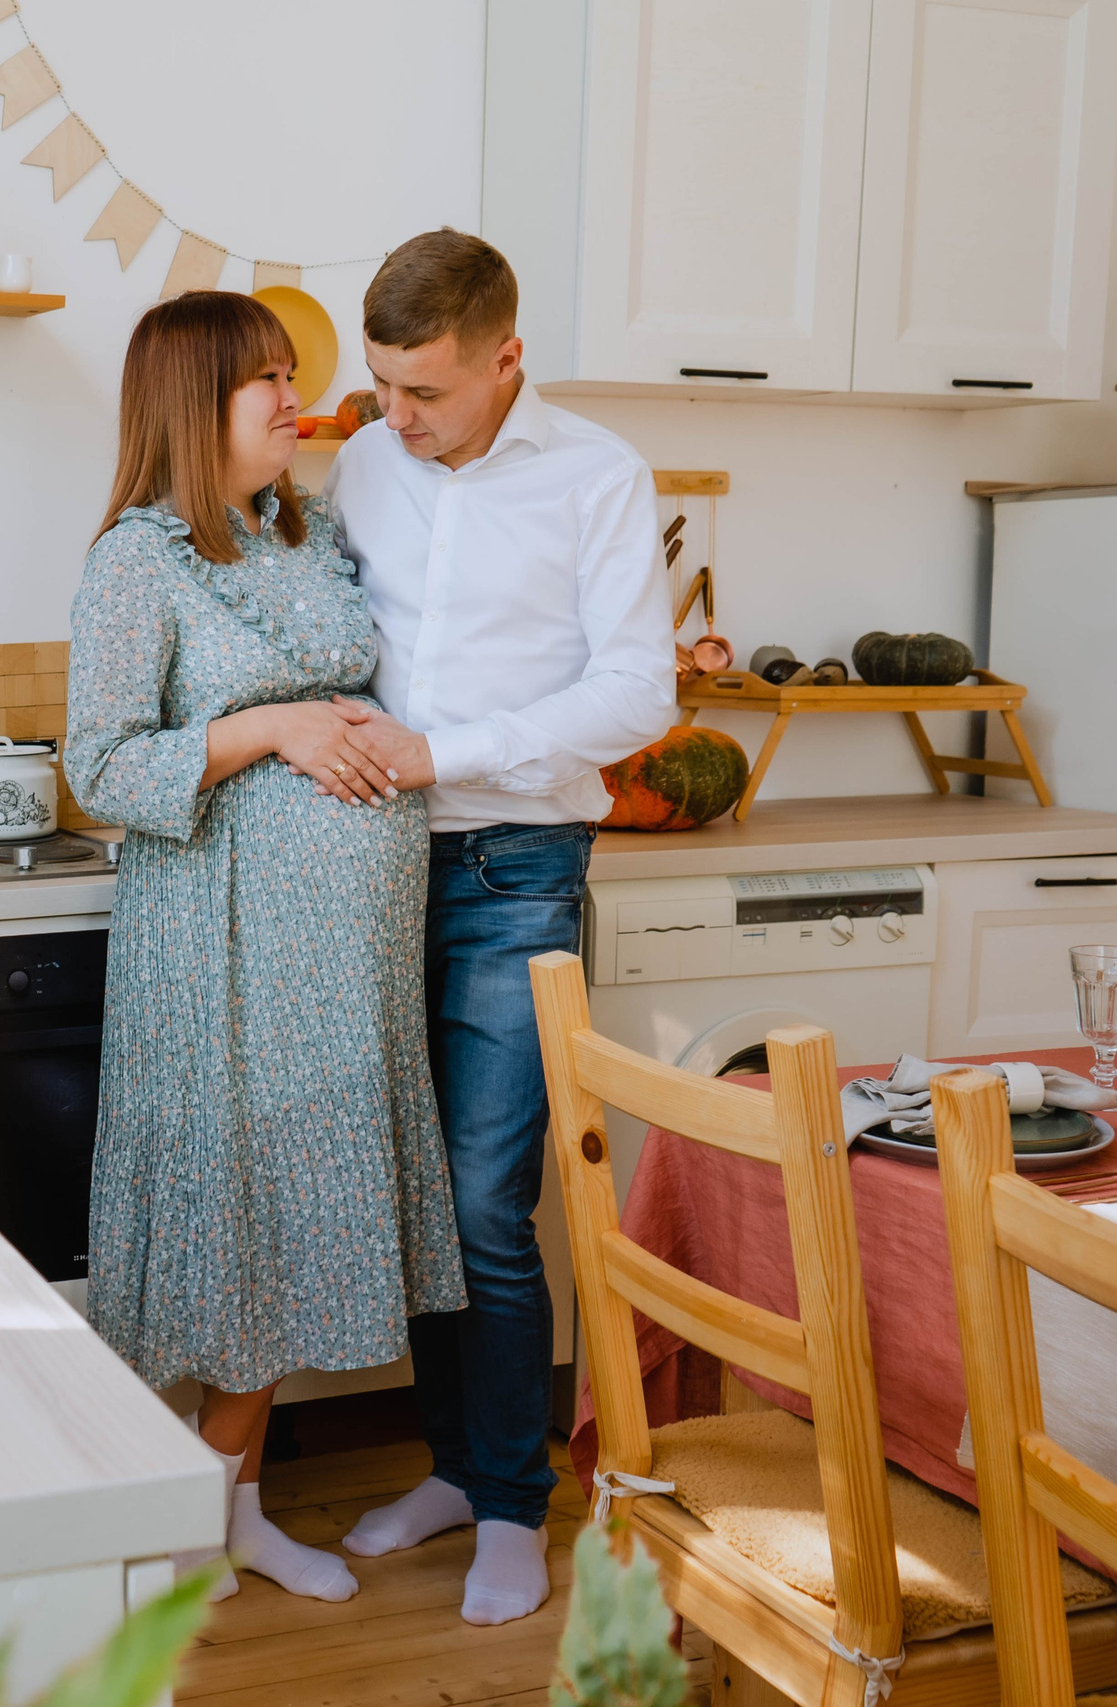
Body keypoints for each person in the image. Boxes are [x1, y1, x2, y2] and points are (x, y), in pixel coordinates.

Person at [66, 290, 465, 1605]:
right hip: (226, 957)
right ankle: (204, 1499)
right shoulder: (140, 561)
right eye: (268, 385)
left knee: (287, 1231)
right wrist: (274, 730)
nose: (297, 402)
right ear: (197, 405)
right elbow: (101, 768)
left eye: (294, 378)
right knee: (242, 1227)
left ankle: (224, 1506)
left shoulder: (298, 531)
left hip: (342, 970)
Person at [322, 230, 676, 1625]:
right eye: (384, 388)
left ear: (506, 358)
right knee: (417, 1198)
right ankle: (457, 1472)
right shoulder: (363, 462)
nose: (395, 419)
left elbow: (637, 692)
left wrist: (445, 751)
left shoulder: (598, 476)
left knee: (484, 1200)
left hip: (515, 864)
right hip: (370, 862)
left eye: (427, 393)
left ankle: (520, 1501)